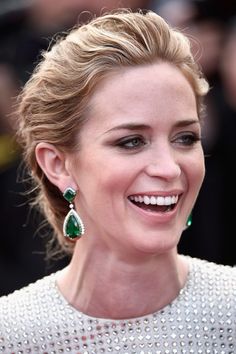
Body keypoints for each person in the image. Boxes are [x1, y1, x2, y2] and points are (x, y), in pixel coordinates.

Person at [0, 9, 235, 353]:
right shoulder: (13, 336)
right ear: (58, 164)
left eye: (185, 138)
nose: (169, 169)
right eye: (131, 142)